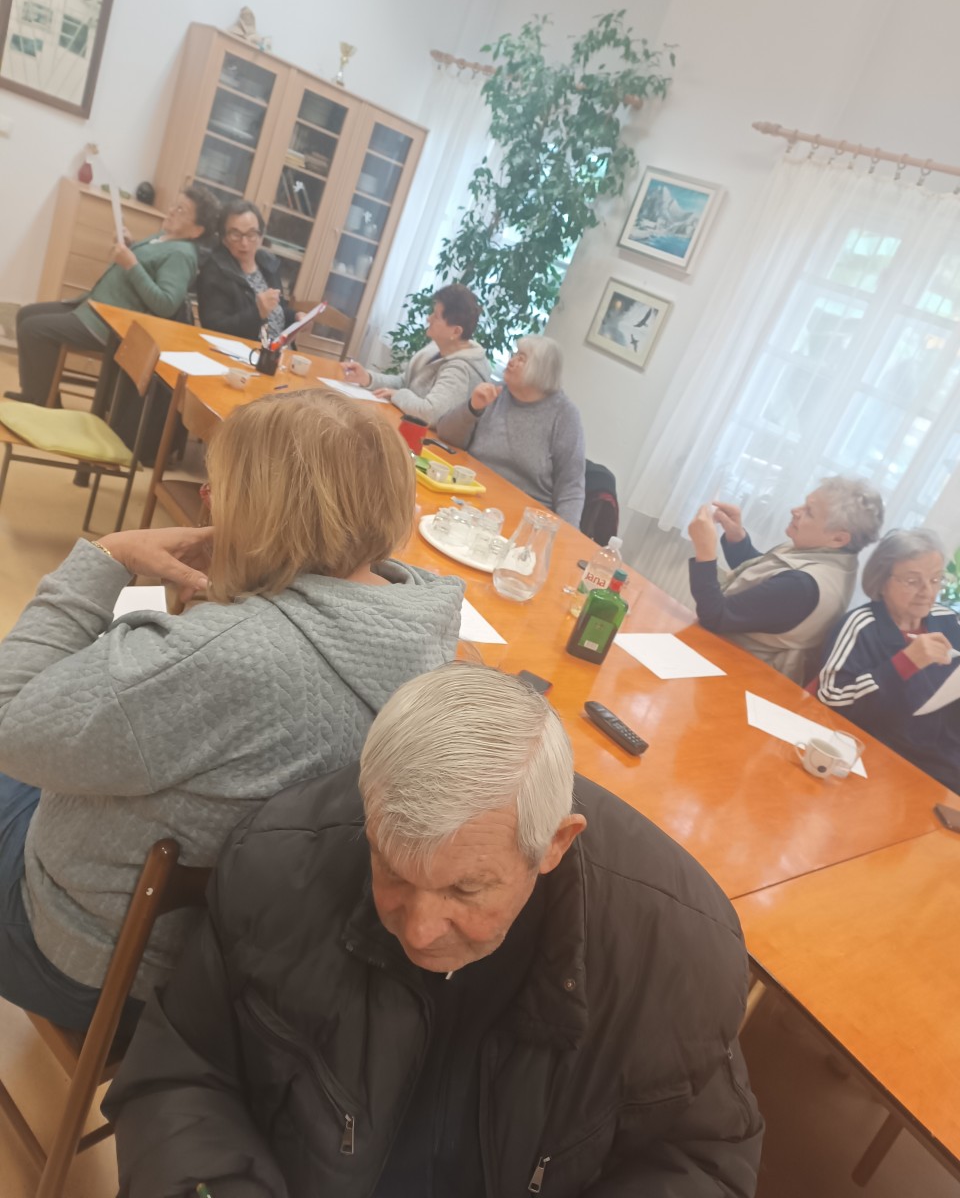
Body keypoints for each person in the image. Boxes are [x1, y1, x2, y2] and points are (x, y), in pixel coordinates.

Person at [105, 662, 763, 1197]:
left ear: (555, 844)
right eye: (391, 870)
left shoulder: (675, 956)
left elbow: (704, 1161)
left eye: (465, 890)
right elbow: (182, 1070)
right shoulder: (277, 867)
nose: (418, 931)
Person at [0, 389, 463, 1036]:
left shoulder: (224, 657)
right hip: (241, 970)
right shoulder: (426, 628)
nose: (207, 499)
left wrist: (108, 556)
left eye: (219, 487)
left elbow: (10, 717)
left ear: (263, 508)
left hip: (96, 957)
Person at [9, 185, 219, 406]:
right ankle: (33, 394)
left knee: (33, 330)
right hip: (94, 307)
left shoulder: (181, 255)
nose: (172, 211)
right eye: (175, 205)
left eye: (181, 210)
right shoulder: (166, 237)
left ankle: (45, 404)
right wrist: (131, 245)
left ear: (197, 231)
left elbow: (166, 304)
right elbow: (150, 266)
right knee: (26, 315)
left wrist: (131, 264)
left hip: (109, 325)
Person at [687, 476, 884, 682]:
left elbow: (715, 616)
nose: (795, 511)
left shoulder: (802, 585)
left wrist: (705, 551)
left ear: (838, 538)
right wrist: (736, 537)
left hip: (739, 676)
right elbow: (766, 585)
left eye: (809, 512)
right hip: (729, 660)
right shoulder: (831, 556)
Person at [816, 529, 960, 791]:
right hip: (884, 758)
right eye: (912, 581)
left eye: (936, 579)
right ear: (882, 581)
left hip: (945, 764)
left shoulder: (949, 620)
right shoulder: (862, 625)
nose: (927, 592)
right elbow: (830, 697)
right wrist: (905, 663)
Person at [436, 335, 586, 526]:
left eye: (521, 359)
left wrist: (566, 536)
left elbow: (571, 487)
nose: (511, 361)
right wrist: (472, 408)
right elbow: (446, 434)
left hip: (524, 518)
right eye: (514, 354)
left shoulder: (564, 414)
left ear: (541, 370)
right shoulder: (496, 392)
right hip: (472, 499)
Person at [342, 283, 490, 425]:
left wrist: (398, 395)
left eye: (436, 316)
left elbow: (430, 414)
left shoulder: (460, 370)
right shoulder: (437, 348)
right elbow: (405, 382)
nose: (428, 318)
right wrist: (368, 378)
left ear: (456, 331)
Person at [197, 198, 297, 343]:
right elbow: (214, 328)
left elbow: (276, 310)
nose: (244, 243)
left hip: (276, 351)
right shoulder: (214, 271)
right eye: (235, 234)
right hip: (241, 351)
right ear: (224, 238)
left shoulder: (269, 265)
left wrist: (295, 317)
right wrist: (257, 313)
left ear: (261, 237)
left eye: (251, 234)